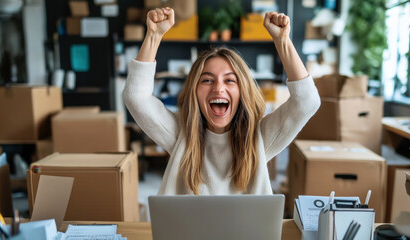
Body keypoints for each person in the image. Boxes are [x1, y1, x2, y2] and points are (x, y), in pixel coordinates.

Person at [123, 7, 320, 195]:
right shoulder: (179, 132)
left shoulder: (260, 137)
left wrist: (282, 41)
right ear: (194, 91)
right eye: (207, 80)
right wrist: (154, 36)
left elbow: (307, 102)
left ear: (242, 91)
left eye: (229, 80)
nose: (218, 88)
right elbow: (136, 97)